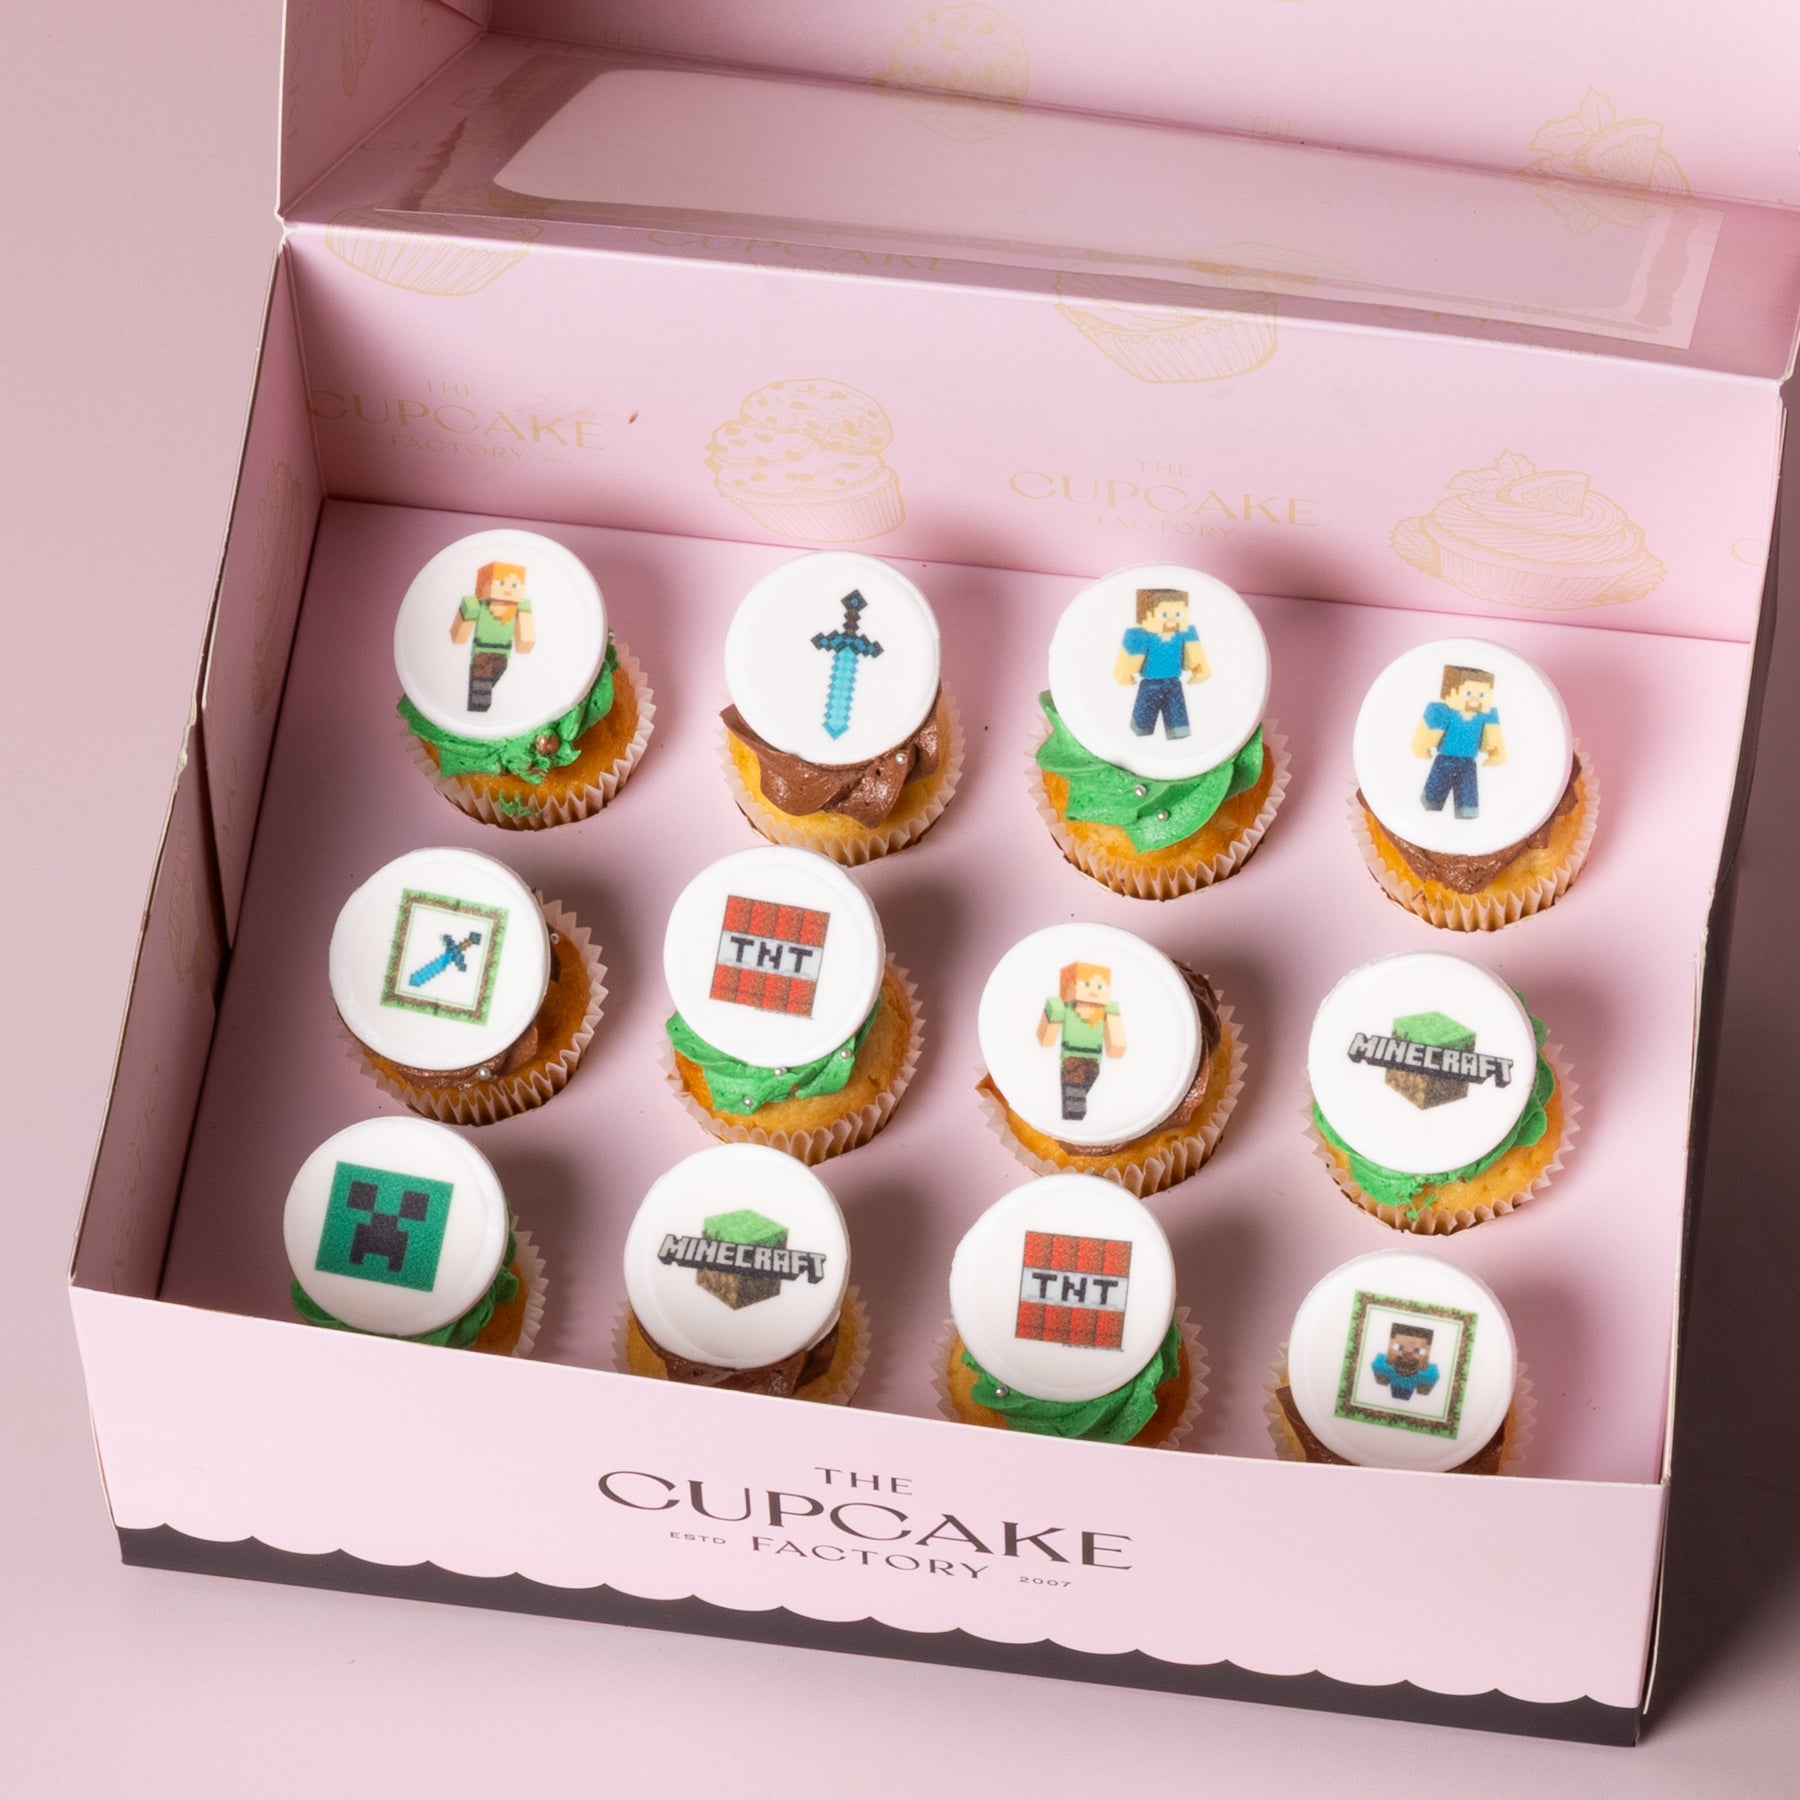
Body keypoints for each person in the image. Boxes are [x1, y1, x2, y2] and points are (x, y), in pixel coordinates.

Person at [1412, 664, 1505, 821]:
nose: (1475, 699)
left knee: (1468, 790)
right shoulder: (1444, 712)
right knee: (1435, 791)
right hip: (1445, 759)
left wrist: (1496, 753)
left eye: (1482, 695)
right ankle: (1431, 806)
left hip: (1468, 762)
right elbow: (1429, 731)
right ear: (1452, 692)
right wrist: (1422, 747)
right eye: (1468, 693)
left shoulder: (1486, 715)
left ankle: (1467, 812)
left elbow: (1493, 735)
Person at [1114, 586, 1209, 740]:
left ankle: (1178, 731)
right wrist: (1124, 675)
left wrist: (1200, 670)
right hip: (1150, 683)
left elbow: (1195, 653)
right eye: (1164, 614)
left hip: (1173, 682)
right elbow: (1129, 659)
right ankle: (1141, 729)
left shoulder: (1185, 633)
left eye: (1178, 614)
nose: (1171, 620)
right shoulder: (1141, 636)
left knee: (1177, 711)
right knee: (1144, 714)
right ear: (1146, 614)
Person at [1037, 961, 1126, 1122]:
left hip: (1094, 1059)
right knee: (1074, 1089)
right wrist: (1053, 1010)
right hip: (1072, 1056)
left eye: (1100, 987)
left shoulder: (1104, 1010)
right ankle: (1074, 1114)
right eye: (1085, 985)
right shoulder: (1067, 1008)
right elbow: (1048, 1031)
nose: (1092, 991)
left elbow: (1115, 1033)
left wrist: (1116, 1045)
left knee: (1087, 1081)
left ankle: (1075, 1110)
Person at [451, 560, 536, 713]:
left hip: (503, 654)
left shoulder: (517, 608)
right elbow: (461, 628)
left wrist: (525, 641)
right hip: (482, 652)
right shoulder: (480, 605)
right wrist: (466, 613)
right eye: (501, 583)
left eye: (514, 585)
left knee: (492, 680)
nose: (508, 590)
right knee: (481, 687)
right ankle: (478, 711)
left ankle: (479, 707)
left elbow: (525, 631)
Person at [1371, 1322, 1440, 1403]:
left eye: (1417, 1350)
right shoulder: (1381, 1366)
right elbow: (1381, 1377)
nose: (1408, 1354)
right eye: (1400, 1347)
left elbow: (1425, 1388)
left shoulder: (1429, 1375)